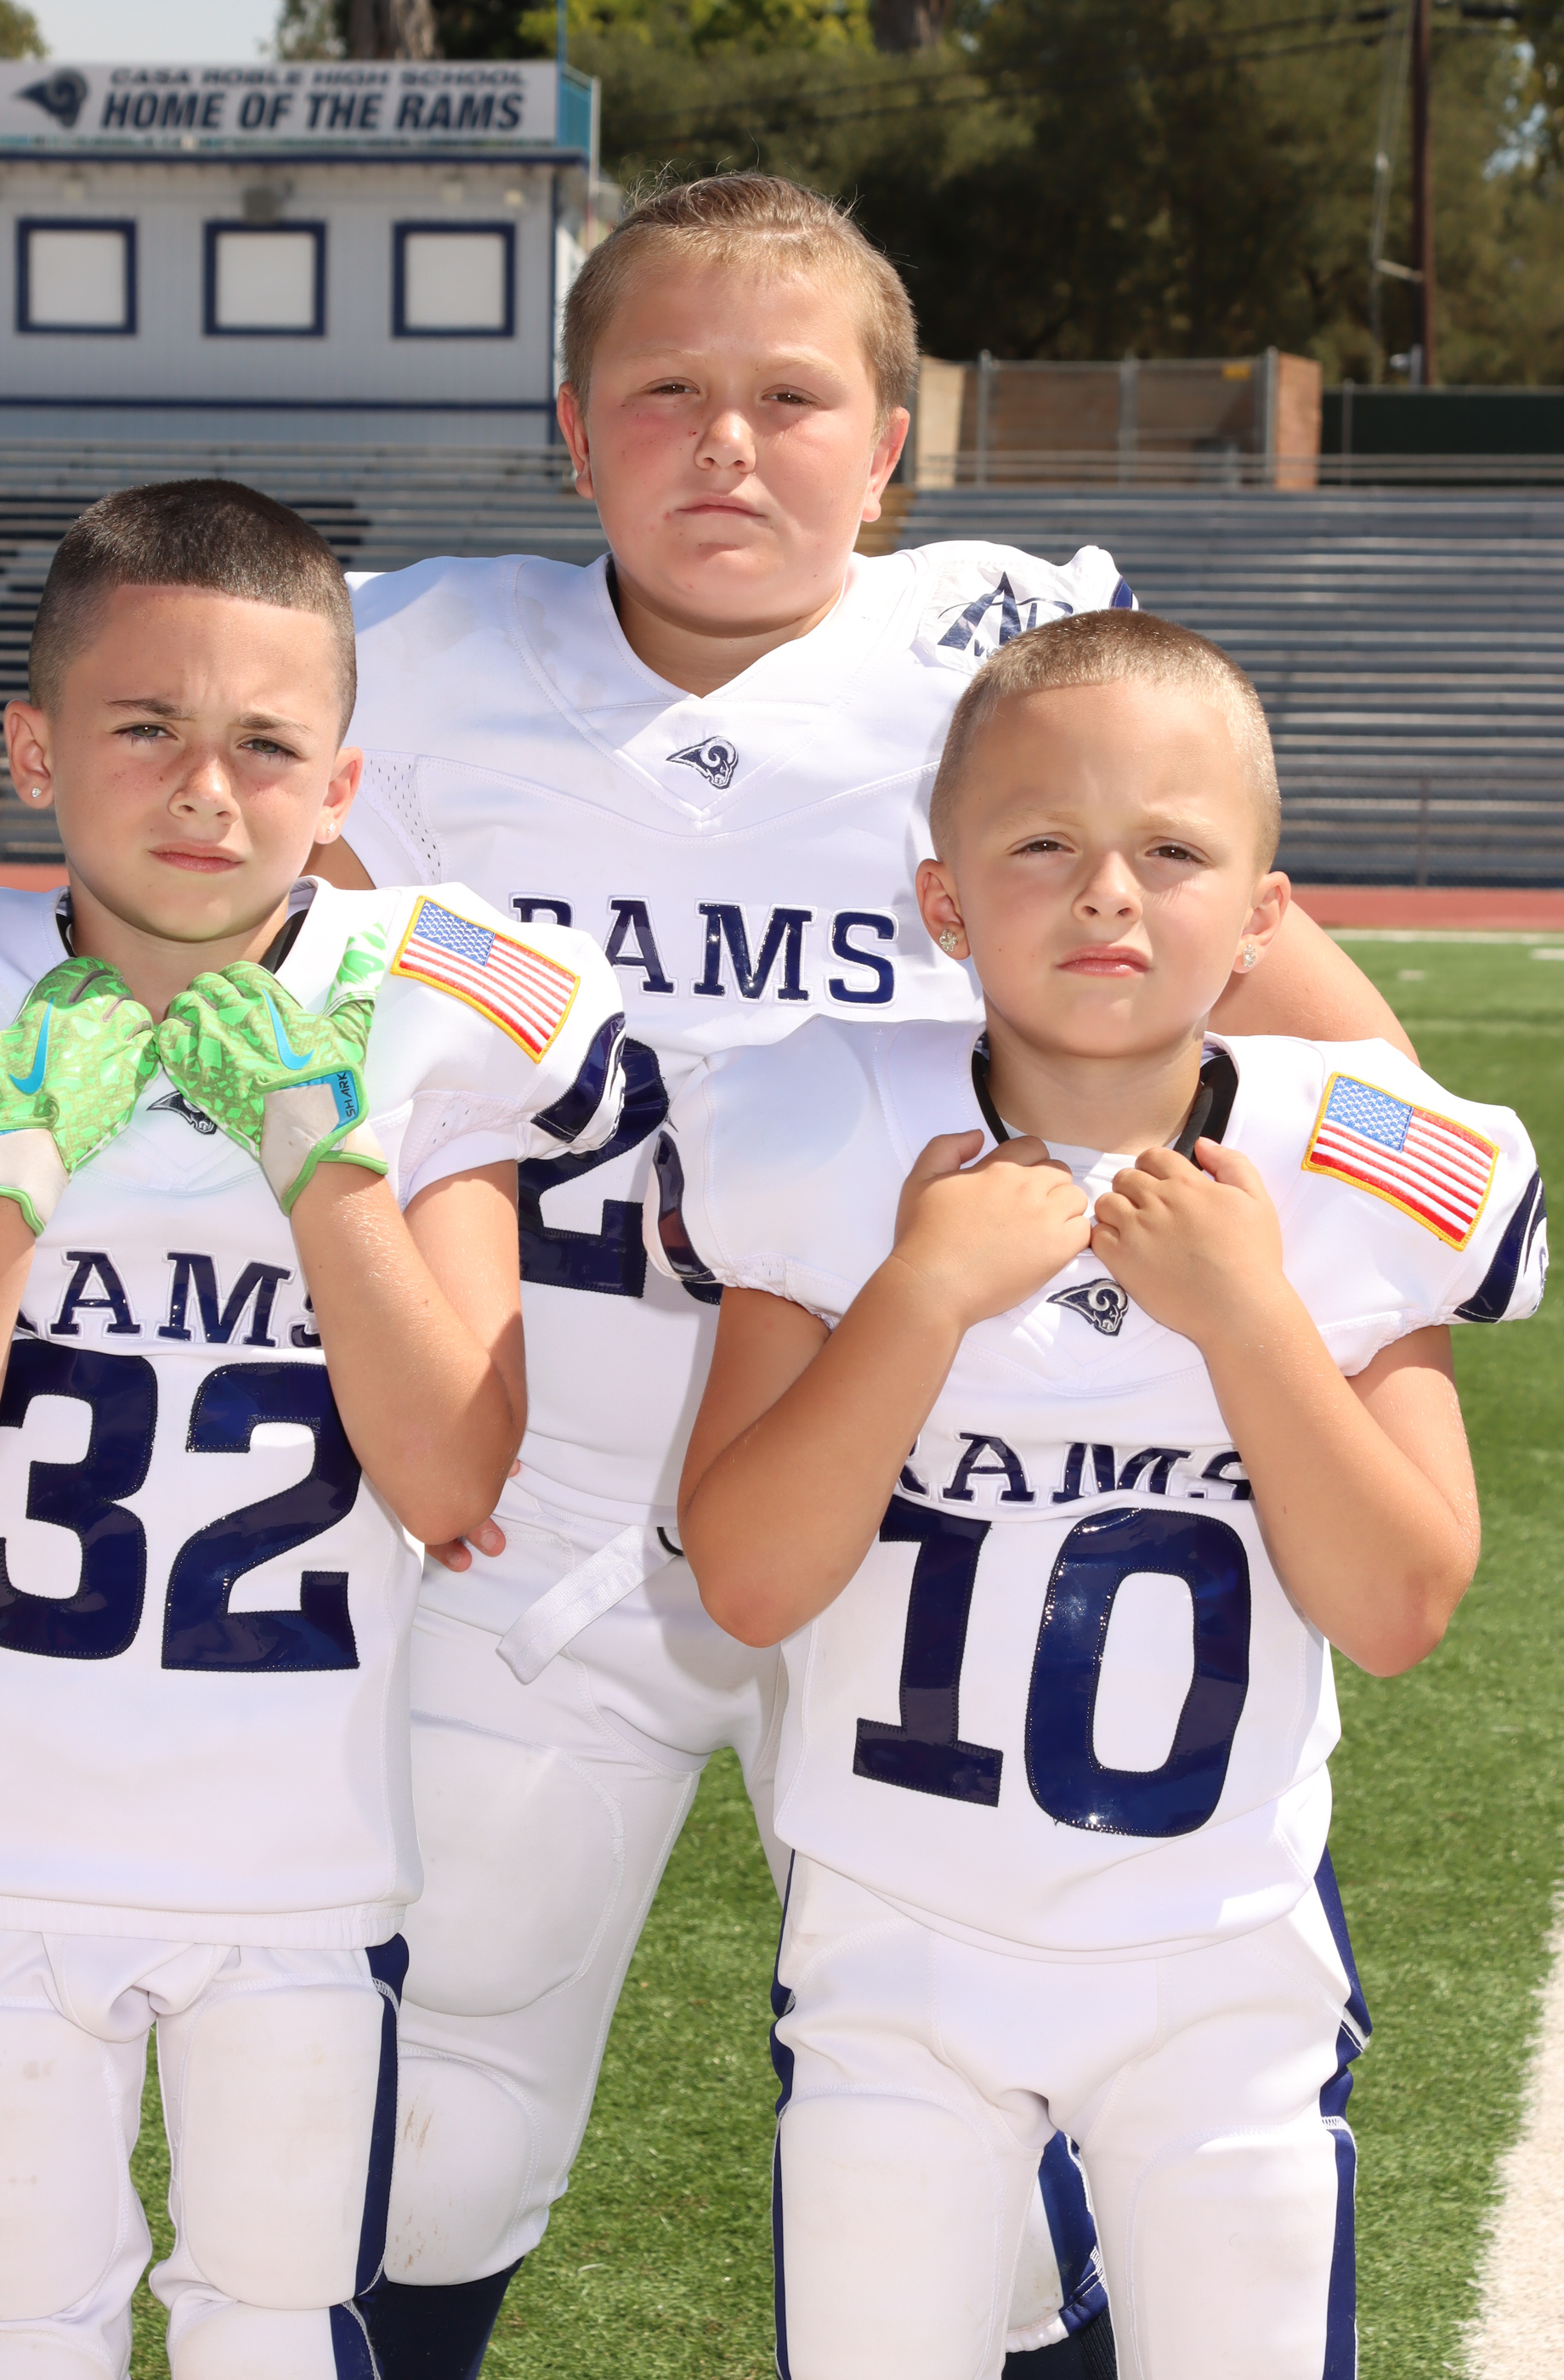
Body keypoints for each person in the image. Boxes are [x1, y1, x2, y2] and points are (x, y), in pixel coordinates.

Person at [309, 173, 1412, 2380]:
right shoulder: (408, 672)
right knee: (433, 2104)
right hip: (550, 1500)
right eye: (665, 392)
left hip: (943, 1520)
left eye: (791, 398)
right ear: (571, 427)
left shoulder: (995, 671)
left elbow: (1340, 1068)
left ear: (892, 445)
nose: (727, 442)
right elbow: (278, 1009)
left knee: (1003, 2138)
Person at [0, 479, 625, 2380]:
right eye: (146, 726)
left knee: (278, 2332)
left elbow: (451, 1475)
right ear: (35, 746)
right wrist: (4, 1186)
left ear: (342, 780)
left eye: (266, 745)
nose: (208, 787)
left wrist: (330, 1169)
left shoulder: (432, 1005)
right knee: (14, 2332)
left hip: (301, 1862)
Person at [673, 606, 1546, 2377]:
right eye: (1042, 845)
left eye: (1171, 851)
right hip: (894, 1944)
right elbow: (747, 1581)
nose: (1106, 895)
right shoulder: (831, 1121)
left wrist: (1248, 1313)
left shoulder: (1356, 1168)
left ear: (1263, 913)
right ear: (942, 900)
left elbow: (1397, 1607)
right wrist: (920, 1292)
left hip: (1220, 1957)